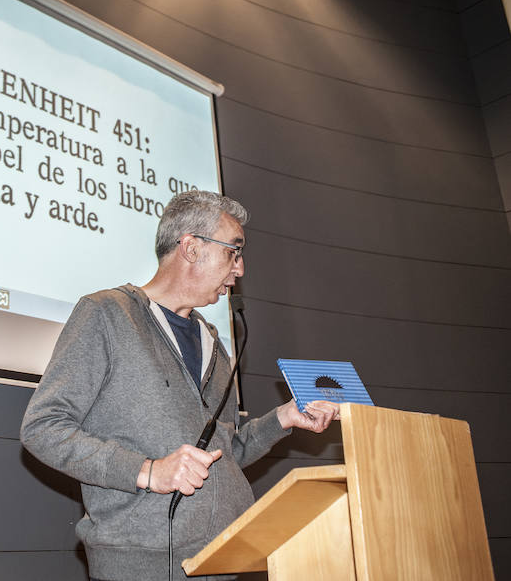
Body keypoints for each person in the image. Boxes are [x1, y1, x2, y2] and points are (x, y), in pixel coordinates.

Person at [20, 190, 339, 580]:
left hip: (225, 557)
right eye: (232, 252)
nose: (239, 270)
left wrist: (284, 418)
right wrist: (148, 471)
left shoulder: (214, 343)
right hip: (142, 566)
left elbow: (223, 453)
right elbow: (43, 428)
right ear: (191, 248)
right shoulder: (108, 315)